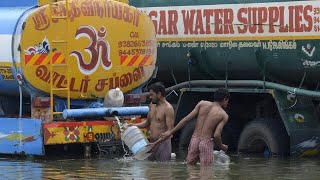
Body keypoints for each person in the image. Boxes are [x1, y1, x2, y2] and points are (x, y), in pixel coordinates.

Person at [160, 88, 230, 166]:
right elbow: (217, 135)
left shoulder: (202, 104)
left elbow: (186, 120)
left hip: (194, 140)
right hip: (206, 142)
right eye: (227, 101)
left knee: (190, 167)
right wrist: (222, 146)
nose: (227, 103)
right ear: (225, 99)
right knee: (206, 171)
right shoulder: (223, 115)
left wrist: (170, 132)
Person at [133, 82, 174, 162]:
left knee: (163, 170)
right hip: (151, 143)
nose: (150, 97)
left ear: (159, 94)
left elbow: (170, 132)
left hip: (163, 145)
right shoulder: (152, 105)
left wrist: (155, 143)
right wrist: (132, 126)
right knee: (151, 171)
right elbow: (146, 123)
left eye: (152, 95)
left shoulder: (168, 108)